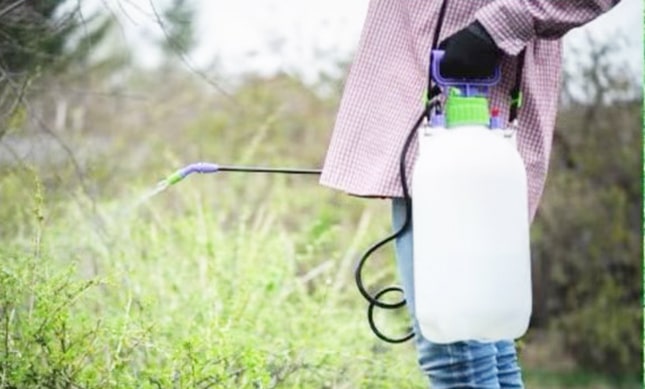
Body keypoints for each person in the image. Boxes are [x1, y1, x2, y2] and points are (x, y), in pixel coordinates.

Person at [319, 1, 621, 388]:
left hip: (471, 114)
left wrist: (499, 26)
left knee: (455, 348)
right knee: (483, 342)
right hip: (422, 101)